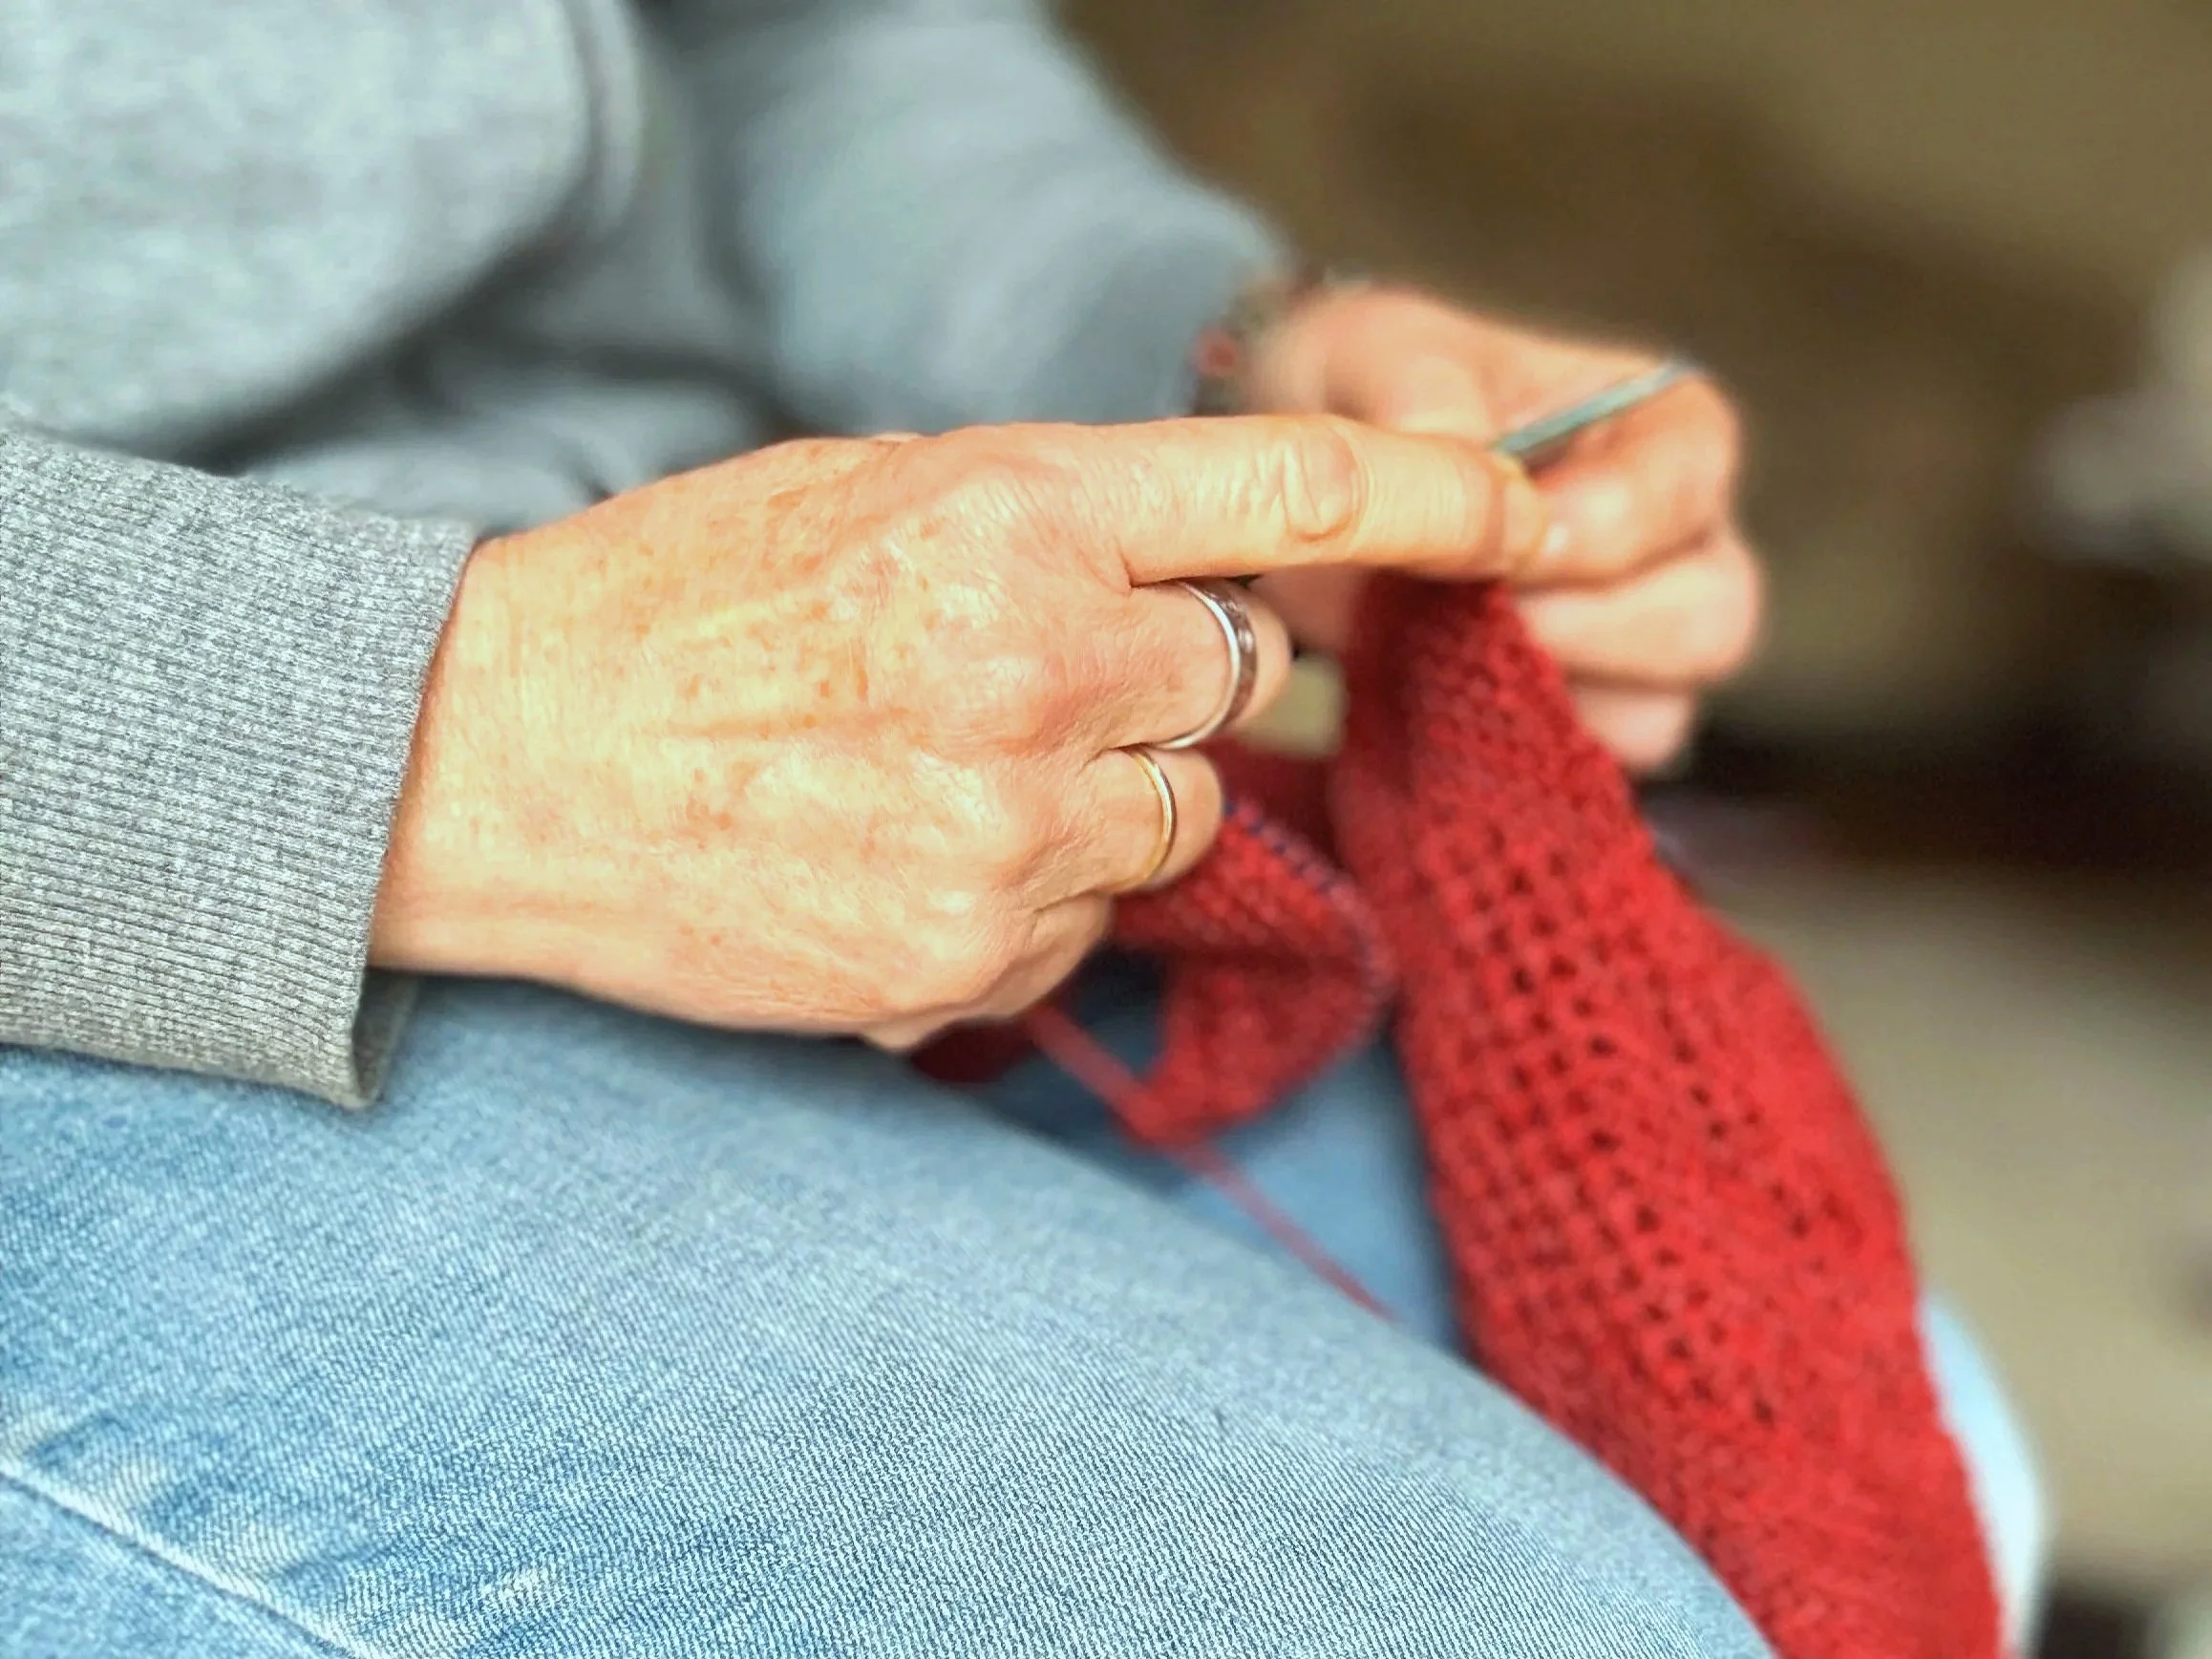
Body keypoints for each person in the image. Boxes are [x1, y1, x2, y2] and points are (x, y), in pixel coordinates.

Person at [1, 2, 2043, 1652]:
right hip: (99, 867)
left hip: (602, 597)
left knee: (1903, 1451)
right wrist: (442, 728)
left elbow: (780, 43)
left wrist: (1204, 353)